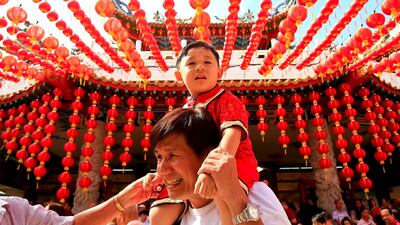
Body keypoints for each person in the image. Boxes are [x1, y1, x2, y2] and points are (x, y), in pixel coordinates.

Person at [149, 40, 260, 224]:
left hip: (232, 161)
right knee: (159, 213)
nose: (200, 67)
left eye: (207, 62)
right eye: (192, 63)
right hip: (195, 170)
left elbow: (230, 138)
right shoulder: (185, 109)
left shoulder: (227, 100)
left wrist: (211, 171)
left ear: (219, 71)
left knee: (223, 195)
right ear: (178, 75)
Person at [146, 107, 290, 224]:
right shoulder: (171, 217)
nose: (162, 170)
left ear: (208, 154)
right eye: (159, 157)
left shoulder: (256, 195)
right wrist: (123, 204)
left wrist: (236, 199)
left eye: (172, 155)